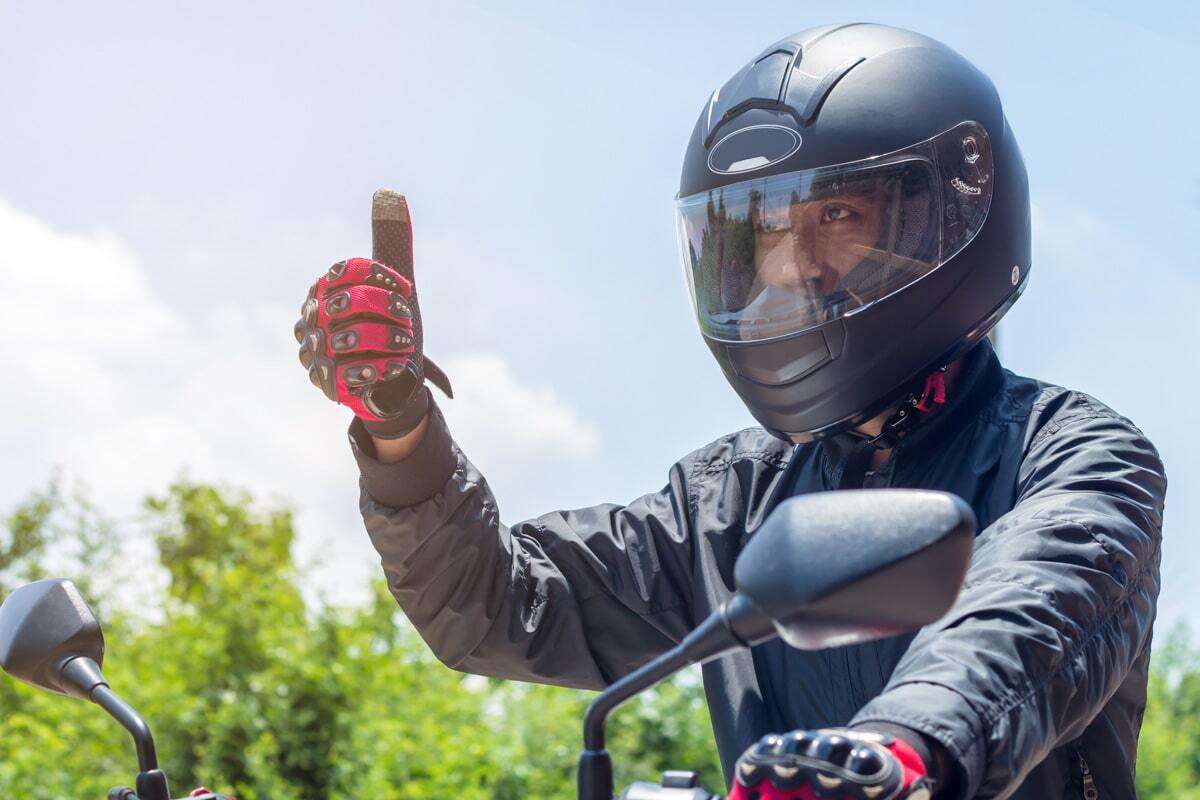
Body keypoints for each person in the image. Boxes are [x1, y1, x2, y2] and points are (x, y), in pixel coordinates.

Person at [294, 23, 1166, 799]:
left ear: (957, 208)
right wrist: (396, 422)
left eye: (837, 214)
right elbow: (496, 605)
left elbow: (1031, 610)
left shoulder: (1075, 456)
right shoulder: (735, 498)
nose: (792, 268)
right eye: (763, 235)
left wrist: (901, 748)